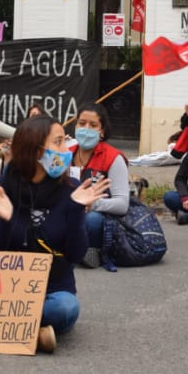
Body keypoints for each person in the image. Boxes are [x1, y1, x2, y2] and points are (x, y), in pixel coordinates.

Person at [0, 115, 110, 353]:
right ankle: (30, 331)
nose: (66, 150)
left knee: (65, 308)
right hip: (2, 288)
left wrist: (76, 210)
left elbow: (75, 255)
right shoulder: (1, 188)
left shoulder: (72, 191)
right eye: (58, 142)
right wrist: (5, 221)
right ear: (36, 151)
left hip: (50, 288)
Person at [68, 103, 129, 267]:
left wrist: (92, 204)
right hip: (68, 211)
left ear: (101, 131)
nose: (86, 128)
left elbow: (122, 204)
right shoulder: (65, 153)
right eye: (81, 123)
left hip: (98, 215)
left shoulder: (113, 158)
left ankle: (92, 252)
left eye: (93, 125)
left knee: (92, 220)